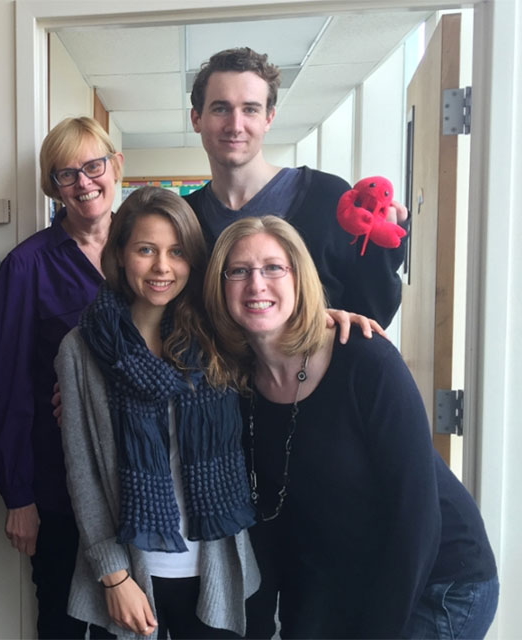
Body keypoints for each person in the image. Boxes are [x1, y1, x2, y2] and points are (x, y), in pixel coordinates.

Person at [202, 215, 498, 638]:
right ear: (220, 285)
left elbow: (416, 517)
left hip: (439, 581)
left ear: (299, 279)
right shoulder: (236, 382)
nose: (256, 284)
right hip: (340, 579)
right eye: (239, 271)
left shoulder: (365, 360)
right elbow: (275, 523)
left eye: (273, 268)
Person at [55, 187, 260, 640]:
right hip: (131, 573)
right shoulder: (82, 348)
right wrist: (113, 575)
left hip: (215, 563)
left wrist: (335, 317)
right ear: (121, 255)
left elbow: (286, 334)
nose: (162, 267)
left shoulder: (220, 336)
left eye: (177, 252)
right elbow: (82, 470)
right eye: (146, 249)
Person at [0, 116, 119, 639]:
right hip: (58, 484)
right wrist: (18, 495)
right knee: (61, 624)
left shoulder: (150, 254)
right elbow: (11, 384)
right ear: (52, 187)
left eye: (94, 166)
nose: (84, 182)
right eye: (67, 174)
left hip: (135, 480)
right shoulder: (26, 266)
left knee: (128, 622)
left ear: (116, 167)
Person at [185, 47, 407, 327]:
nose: (235, 125)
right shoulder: (185, 219)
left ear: (268, 118)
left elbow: (372, 316)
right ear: (196, 119)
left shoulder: (330, 199)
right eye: (221, 108)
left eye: (250, 109)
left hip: (321, 368)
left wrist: (383, 253)